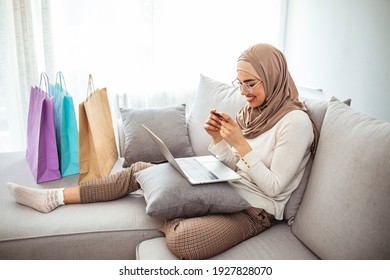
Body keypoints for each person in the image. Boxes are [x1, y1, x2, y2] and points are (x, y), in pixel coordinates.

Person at [7, 43, 317, 260]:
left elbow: (275, 186)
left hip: (255, 210)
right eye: (240, 83)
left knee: (183, 239)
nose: (244, 92)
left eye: (251, 84)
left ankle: (161, 204)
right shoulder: (253, 111)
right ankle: (53, 198)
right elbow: (233, 163)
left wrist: (239, 144)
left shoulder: (295, 122)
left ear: (274, 77)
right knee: (143, 168)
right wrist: (219, 141)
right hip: (225, 186)